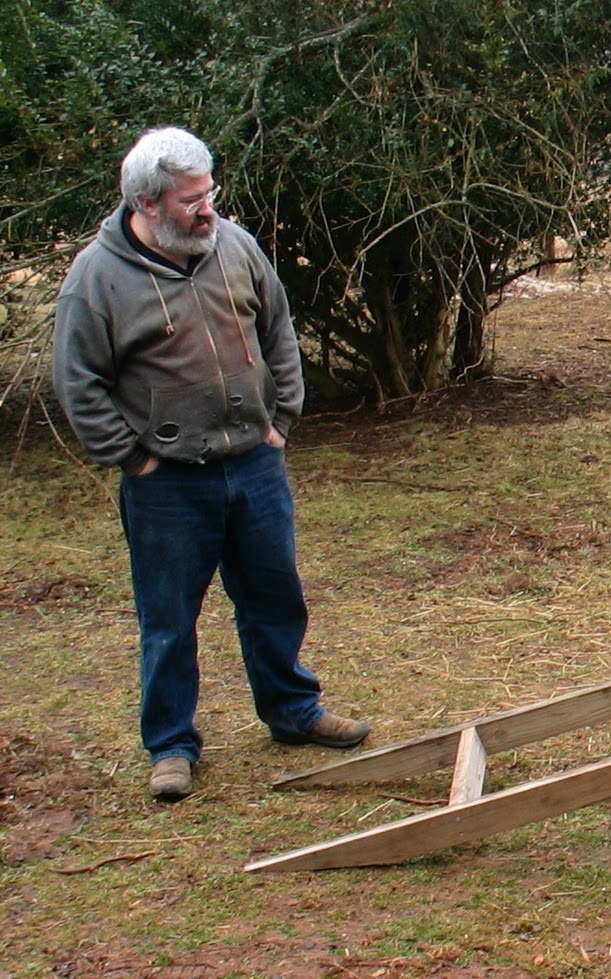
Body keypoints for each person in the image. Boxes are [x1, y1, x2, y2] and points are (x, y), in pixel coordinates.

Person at [52, 126, 369, 802]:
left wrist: (281, 419)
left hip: (254, 464)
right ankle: (170, 744)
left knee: (274, 595)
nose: (208, 210)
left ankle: (293, 709)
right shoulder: (96, 279)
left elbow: (278, 327)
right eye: (191, 200)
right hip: (166, 481)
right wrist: (133, 458)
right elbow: (78, 381)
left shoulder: (234, 246)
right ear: (146, 203)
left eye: (209, 194)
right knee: (169, 617)